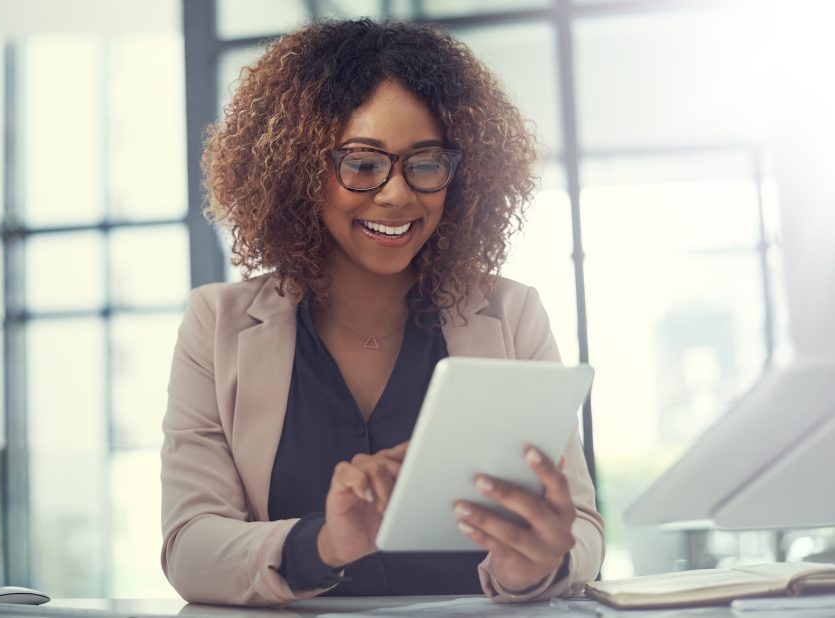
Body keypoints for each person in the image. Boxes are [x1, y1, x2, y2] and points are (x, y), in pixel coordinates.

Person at [160, 18, 604, 607]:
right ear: (298, 171)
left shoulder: (512, 313)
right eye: (363, 163)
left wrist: (537, 565)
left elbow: (582, 529)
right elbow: (189, 548)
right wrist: (323, 544)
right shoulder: (217, 325)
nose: (396, 195)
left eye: (425, 163)